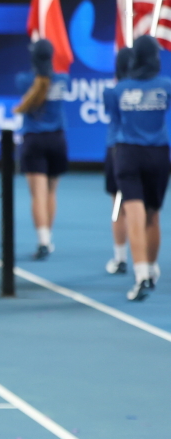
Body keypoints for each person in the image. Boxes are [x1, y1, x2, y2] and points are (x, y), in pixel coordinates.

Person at [112, 35, 171, 300]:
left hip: (128, 154)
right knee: (152, 216)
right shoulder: (166, 86)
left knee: (134, 214)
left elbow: (115, 121)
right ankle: (150, 269)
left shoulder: (118, 90)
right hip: (158, 155)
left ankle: (142, 275)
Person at [15, 39, 68, 259]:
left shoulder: (24, 80)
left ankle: (43, 241)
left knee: (37, 194)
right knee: (51, 192)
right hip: (57, 140)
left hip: (34, 141)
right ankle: (48, 238)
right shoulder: (63, 80)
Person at [103, 48, 133, 277]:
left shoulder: (112, 91)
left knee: (119, 208)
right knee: (145, 209)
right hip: (145, 151)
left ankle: (120, 258)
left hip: (117, 151)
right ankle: (148, 264)